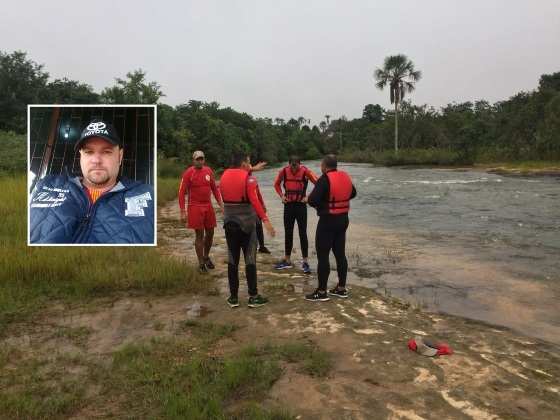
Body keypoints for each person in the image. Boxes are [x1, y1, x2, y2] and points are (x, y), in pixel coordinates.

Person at [30, 119, 154, 244]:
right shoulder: (46, 185)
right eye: (89, 152)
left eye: (106, 152)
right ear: (81, 156)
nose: (96, 160)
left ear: (120, 156)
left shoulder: (148, 195)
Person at [220, 152, 275, 308]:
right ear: (244, 164)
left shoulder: (223, 176)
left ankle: (233, 297)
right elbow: (255, 201)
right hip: (247, 225)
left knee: (233, 260)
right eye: (249, 163)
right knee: (250, 259)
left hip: (229, 224)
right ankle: (253, 296)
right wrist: (266, 221)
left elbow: (230, 187)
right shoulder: (249, 179)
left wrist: (253, 169)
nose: (250, 165)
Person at [306, 154, 356, 301]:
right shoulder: (345, 177)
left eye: (321, 165)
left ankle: (321, 292)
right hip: (343, 220)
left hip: (327, 221)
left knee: (323, 256)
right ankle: (341, 288)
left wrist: (325, 205)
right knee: (340, 254)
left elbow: (312, 200)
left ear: (324, 166)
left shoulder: (324, 179)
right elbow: (353, 193)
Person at [178, 151, 223, 274]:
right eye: (198, 159)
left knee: (211, 232)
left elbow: (214, 188)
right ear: (193, 160)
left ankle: (206, 256)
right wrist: (182, 211)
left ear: (204, 160)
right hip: (195, 207)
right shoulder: (189, 173)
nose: (200, 161)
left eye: (202, 159)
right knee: (199, 234)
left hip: (208, 205)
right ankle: (201, 264)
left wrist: (221, 204)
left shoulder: (208, 171)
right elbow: (181, 192)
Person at [273, 156, 317, 274]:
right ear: (289, 164)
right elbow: (276, 184)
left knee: (302, 233)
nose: (293, 169)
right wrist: (282, 196)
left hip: (301, 206)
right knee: (288, 232)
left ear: (299, 164)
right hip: (288, 205)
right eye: (292, 165)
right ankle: (287, 259)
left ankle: (305, 261)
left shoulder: (306, 171)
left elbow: (318, 184)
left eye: (296, 166)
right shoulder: (283, 171)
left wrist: (308, 197)